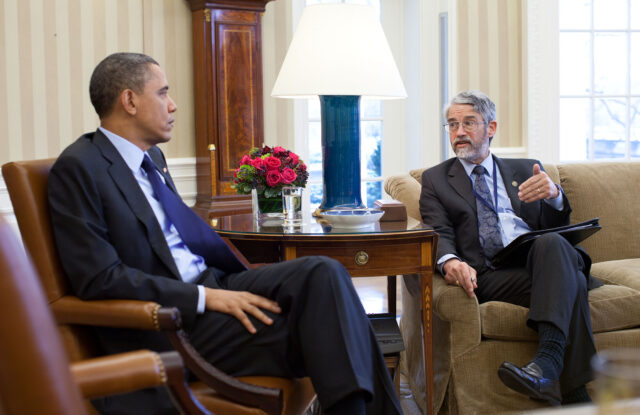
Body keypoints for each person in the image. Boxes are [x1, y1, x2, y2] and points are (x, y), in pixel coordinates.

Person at [48, 52, 402, 415]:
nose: (172, 105)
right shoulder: (80, 167)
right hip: (171, 322)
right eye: (162, 93)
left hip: (214, 283)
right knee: (333, 327)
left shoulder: (151, 160)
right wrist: (205, 297)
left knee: (325, 273)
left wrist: (216, 290)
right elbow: (99, 279)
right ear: (130, 101)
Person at [419, 90, 601, 407]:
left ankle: (549, 367)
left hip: (539, 260)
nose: (458, 132)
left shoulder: (525, 169)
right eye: (452, 124)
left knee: (551, 242)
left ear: (491, 128)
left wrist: (554, 195)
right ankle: (570, 387)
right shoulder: (437, 180)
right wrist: (449, 261)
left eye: (468, 123)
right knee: (572, 278)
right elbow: (438, 231)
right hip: (490, 272)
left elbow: (556, 221)